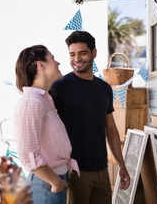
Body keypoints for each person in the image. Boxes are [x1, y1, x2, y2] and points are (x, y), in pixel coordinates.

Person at [50, 31, 130, 204]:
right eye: (72, 54)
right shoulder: (59, 87)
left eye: (82, 53)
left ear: (94, 53)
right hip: (74, 172)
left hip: (102, 170)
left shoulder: (104, 89)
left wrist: (122, 165)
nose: (77, 58)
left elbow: (111, 129)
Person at [14, 45, 80, 204]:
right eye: (52, 58)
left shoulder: (43, 99)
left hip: (52, 182)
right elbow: (28, 154)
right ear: (40, 65)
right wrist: (55, 182)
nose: (57, 63)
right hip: (47, 185)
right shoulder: (32, 101)